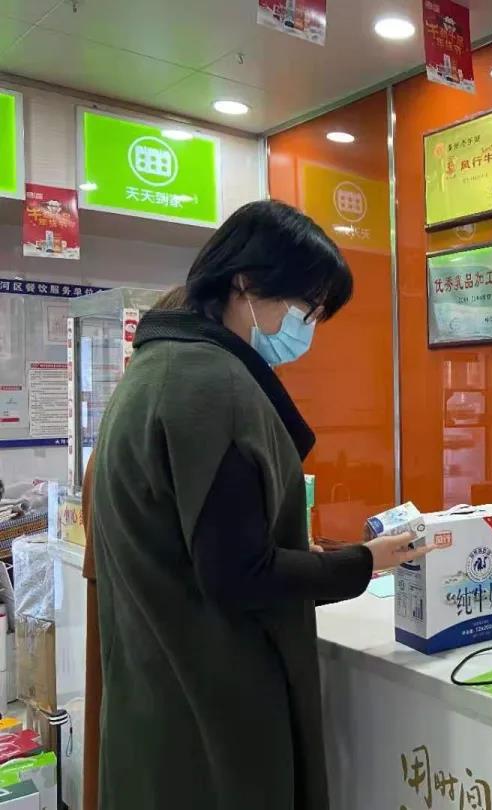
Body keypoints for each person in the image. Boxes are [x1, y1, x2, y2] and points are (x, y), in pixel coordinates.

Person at [89, 200, 430, 810]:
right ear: (246, 282)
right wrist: (365, 560)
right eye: (306, 307)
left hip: (156, 695)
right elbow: (241, 575)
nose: (308, 327)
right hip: (212, 707)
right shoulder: (210, 386)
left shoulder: (156, 368)